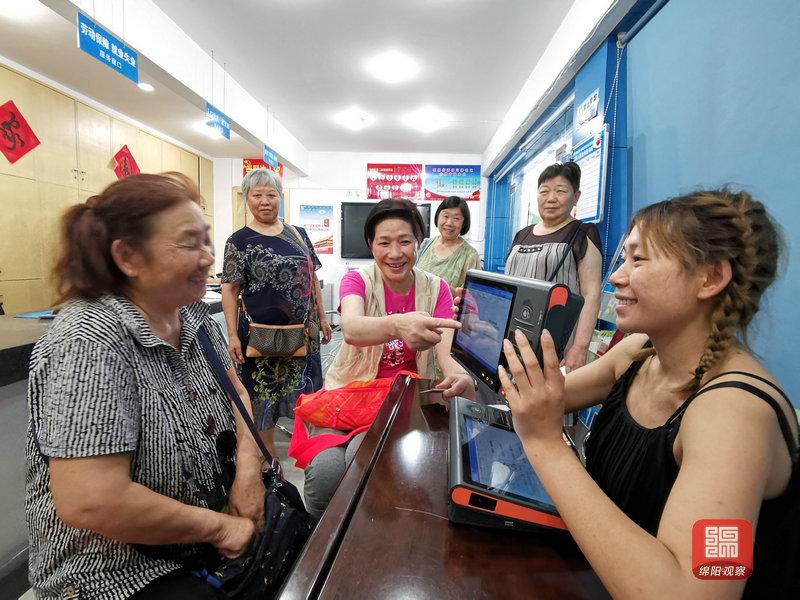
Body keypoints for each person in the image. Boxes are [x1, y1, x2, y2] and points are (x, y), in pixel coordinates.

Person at [499, 189, 798, 599]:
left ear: (710, 278)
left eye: (637, 260)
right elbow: (545, 399)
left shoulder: (734, 413)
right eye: (623, 258)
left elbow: (693, 593)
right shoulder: (637, 353)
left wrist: (546, 443)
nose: (617, 277)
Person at [26, 173, 263, 599]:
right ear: (129, 256)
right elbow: (91, 499)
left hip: (204, 548)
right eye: (190, 243)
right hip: (116, 572)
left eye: (207, 239)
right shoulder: (89, 341)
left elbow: (238, 396)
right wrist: (222, 527)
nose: (209, 256)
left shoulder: (192, 319)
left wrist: (248, 474)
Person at [303, 199, 476, 518]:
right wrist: (400, 323)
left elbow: (445, 353)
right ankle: (316, 548)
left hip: (401, 402)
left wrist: (460, 377)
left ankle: (364, 542)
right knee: (324, 473)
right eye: (384, 242)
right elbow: (353, 328)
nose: (395, 253)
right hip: (348, 393)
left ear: (419, 243)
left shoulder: (435, 288)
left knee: (363, 460)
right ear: (371, 244)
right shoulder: (357, 281)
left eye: (405, 241)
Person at [221, 168, 331, 458]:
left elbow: (312, 279)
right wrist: (232, 334)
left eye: (271, 194)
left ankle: (310, 456)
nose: (265, 201)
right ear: (247, 199)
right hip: (260, 338)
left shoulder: (299, 234)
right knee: (262, 402)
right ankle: (267, 463)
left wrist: (322, 318)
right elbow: (230, 289)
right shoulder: (238, 241)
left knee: (307, 401)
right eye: (257, 195)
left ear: (280, 198)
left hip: (303, 336)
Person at [505, 162, 601, 372]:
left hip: (558, 341)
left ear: (576, 197)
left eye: (560, 191)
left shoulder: (582, 233)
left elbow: (591, 293)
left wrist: (580, 347)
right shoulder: (522, 235)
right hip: (515, 335)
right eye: (544, 191)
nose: (551, 198)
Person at [417, 195, 481, 292]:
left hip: (448, 307)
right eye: (445, 216)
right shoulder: (424, 244)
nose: (449, 223)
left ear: (464, 223)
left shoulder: (470, 256)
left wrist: (443, 289)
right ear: (438, 217)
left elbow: (472, 296)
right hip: (416, 306)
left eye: (456, 218)